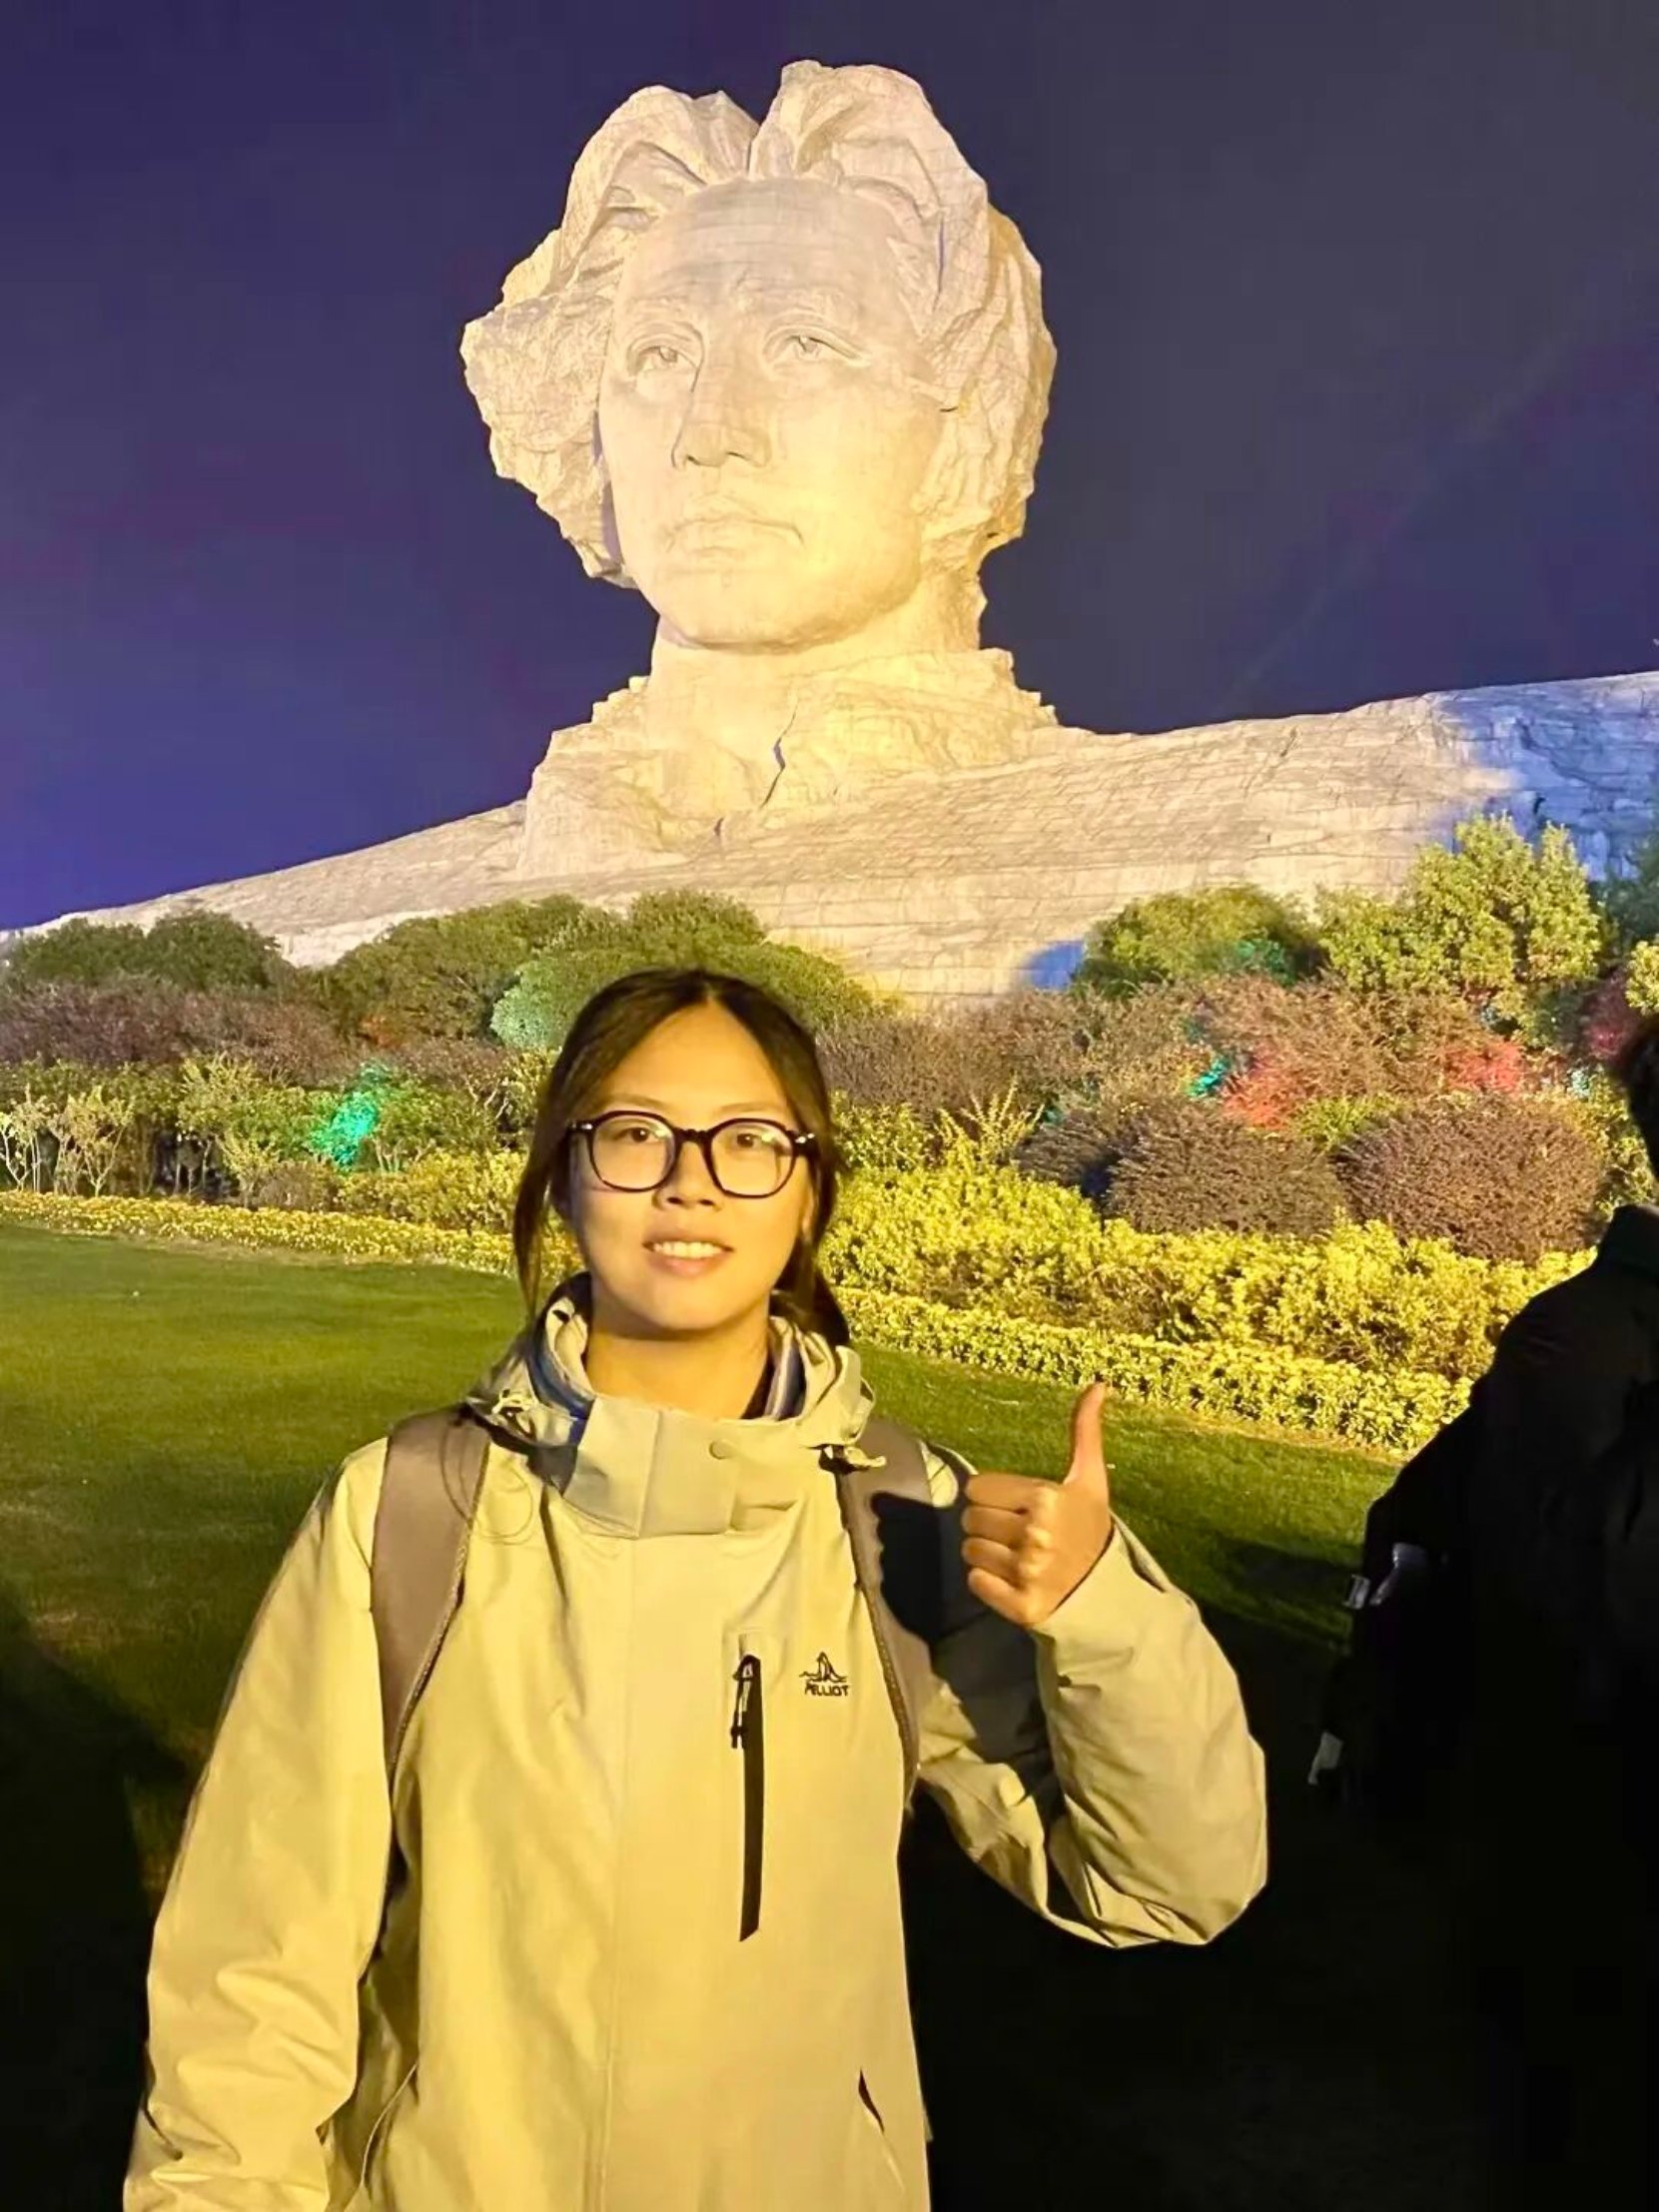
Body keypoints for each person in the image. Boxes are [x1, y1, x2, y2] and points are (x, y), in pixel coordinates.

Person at [125, 967, 1267, 2211]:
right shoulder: (405, 1510)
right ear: (564, 1173)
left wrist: (1106, 1614)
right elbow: (257, 1962)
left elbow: (1164, 1886)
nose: (690, 1181)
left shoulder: (896, 1519)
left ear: (809, 1189)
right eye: (634, 1134)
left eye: (747, 1141)